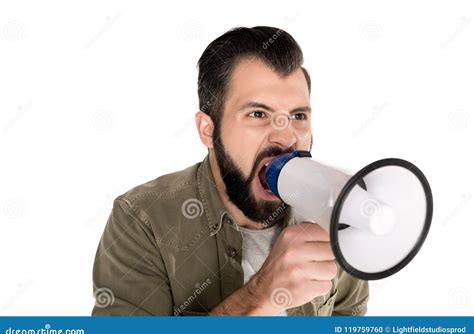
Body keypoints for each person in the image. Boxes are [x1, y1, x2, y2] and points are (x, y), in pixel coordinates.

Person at [91, 26, 369, 316]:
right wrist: (262, 294)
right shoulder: (143, 219)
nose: (286, 138)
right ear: (208, 130)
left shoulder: (335, 209)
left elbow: (348, 314)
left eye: (298, 116)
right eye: (258, 114)